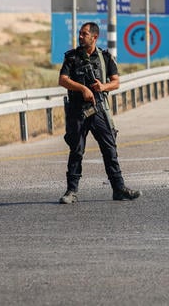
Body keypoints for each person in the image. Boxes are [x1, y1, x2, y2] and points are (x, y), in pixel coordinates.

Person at [57, 22, 141, 204]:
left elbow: (116, 82)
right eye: (80, 33)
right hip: (78, 111)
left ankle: (119, 189)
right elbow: (63, 80)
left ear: (94, 37)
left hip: (99, 110)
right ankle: (71, 191)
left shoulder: (104, 57)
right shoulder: (71, 57)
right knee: (76, 150)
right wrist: (82, 89)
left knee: (109, 149)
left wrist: (103, 87)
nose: (80, 36)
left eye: (84, 34)